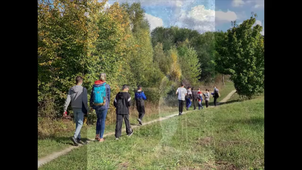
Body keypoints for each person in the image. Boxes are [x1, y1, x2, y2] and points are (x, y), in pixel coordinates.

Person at [63, 76, 88, 146]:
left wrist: (65, 109)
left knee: (77, 122)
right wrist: (87, 109)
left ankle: (78, 138)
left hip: (74, 107)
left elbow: (67, 100)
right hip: (81, 107)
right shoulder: (83, 89)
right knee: (80, 123)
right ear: (81, 81)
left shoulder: (71, 89)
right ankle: (74, 136)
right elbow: (85, 100)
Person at [90, 73, 111, 142]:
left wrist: (92, 105)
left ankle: (97, 135)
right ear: (105, 78)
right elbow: (108, 96)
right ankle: (101, 137)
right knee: (102, 120)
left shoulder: (94, 85)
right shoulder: (106, 86)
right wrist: (108, 105)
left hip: (96, 105)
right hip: (103, 105)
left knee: (98, 119)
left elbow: (92, 96)